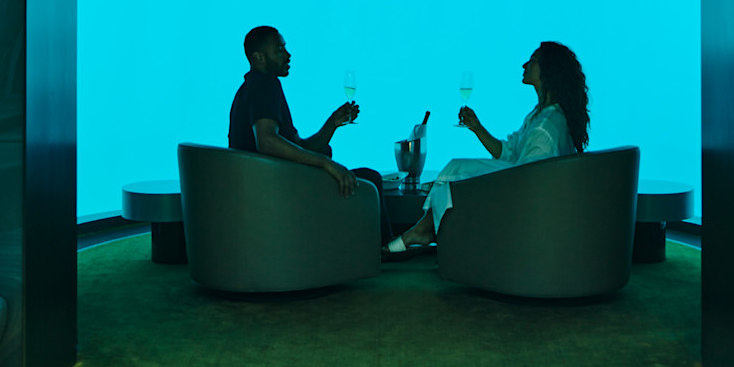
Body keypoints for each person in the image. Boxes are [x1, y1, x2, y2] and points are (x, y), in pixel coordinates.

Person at [384, 40, 588, 253]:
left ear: (549, 69)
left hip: (526, 201)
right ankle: (424, 229)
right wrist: (477, 128)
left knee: (458, 172)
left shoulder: (546, 126)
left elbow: (530, 177)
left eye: (534, 59)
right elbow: (509, 153)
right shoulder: (541, 115)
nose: (524, 65)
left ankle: (421, 231)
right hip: (525, 188)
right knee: (458, 168)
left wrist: (475, 180)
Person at [228, 27, 386, 223]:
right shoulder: (265, 85)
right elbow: (267, 141)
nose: (288, 55)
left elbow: (299, 146)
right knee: (370, 179)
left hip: (268, 189)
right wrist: (326, 163)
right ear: (258, 57)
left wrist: (332, 123)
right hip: (281, 193)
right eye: (279, 50)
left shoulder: (250, 88)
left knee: (340, 160)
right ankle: (384, 251)